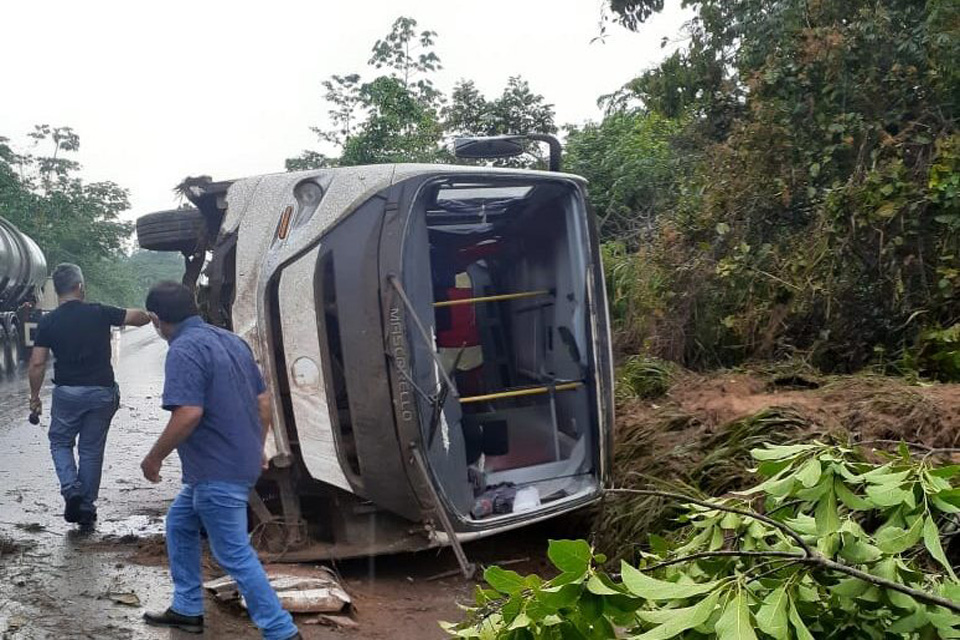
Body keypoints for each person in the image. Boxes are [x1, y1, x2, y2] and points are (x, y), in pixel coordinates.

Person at [140, 281, 300, 640]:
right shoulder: (231, 340)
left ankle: (281, 631)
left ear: (155, 318)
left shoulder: (182, 350)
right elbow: (262, 402)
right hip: (224, 466)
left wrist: (154, 458)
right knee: (179, 523)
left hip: (216, 471)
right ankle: (186, 609)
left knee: (233, 554)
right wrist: (256, 447)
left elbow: (189, 414)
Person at [28, 263, 151, 527]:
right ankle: (86, 506)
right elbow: (139, 318)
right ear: (80, 287)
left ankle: (71, 489)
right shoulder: (99, 312)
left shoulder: (48, 321)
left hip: (68, 393)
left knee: (60, 442)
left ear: (58, 290)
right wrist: (147, 313)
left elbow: (37, 363)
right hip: (102, 392)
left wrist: (34, 396)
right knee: (91, 449)